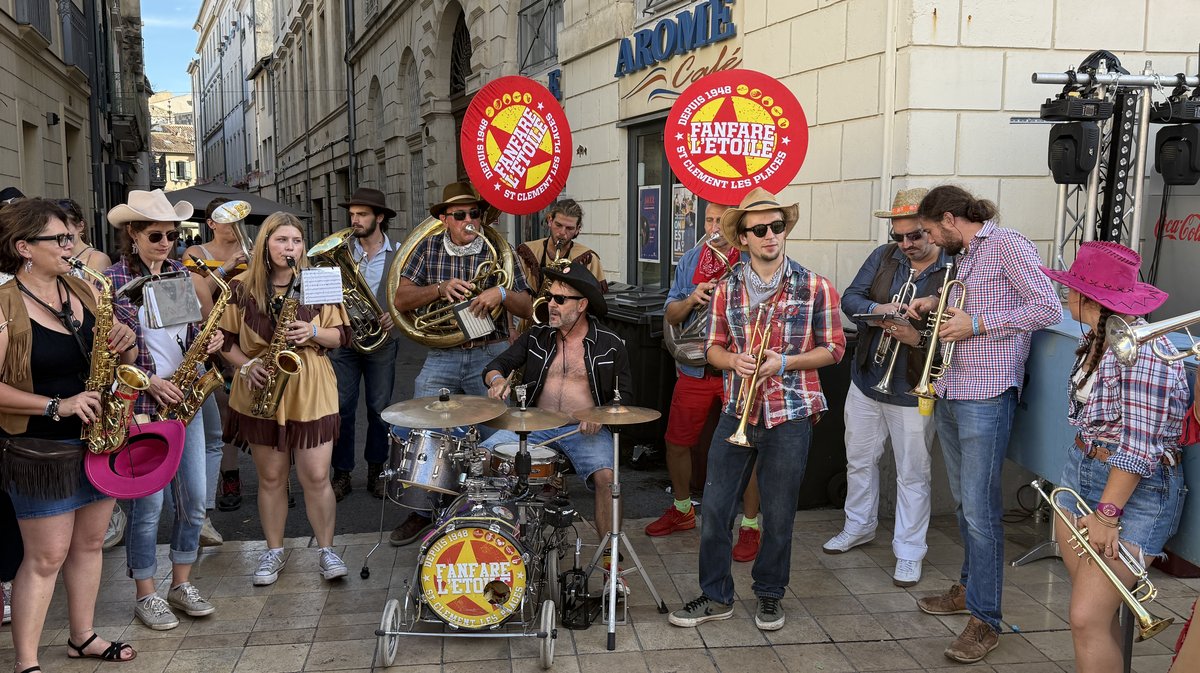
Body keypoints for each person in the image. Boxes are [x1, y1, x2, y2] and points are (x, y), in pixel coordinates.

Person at [669, 188, 846, 633]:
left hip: (791, 412)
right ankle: (715, 596)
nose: (771, 235)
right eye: (760, 229)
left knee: (780, 513)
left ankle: (769, 595)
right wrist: (732, 361)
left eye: (777, 226)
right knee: (714, 508)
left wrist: (784, 362)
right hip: (736, 410)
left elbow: (835, 349)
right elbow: (711, 348)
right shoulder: (727, 288)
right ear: (743, 238)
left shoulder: (816, 285)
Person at [905, 185, 1060, 663]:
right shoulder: (966, 254)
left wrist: (978, 324)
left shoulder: (1007, 244)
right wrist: (935, 305)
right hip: (954, 386)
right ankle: (970, 591)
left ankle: (985, 620)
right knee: (964, 502)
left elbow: (1046, 307)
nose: (928, 239)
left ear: (949, 219)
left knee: (980, 511)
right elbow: (966, 304)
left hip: (987, 394)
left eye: (929, 231)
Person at [0, 198, 141, 670]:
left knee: (89, 544)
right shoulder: (4, 305)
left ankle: (82, 636)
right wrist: (56, 405)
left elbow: (117, 352)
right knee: (46, 557)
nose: (70, 245)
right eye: (58, 239)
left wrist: (125, 341)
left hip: (98, 439)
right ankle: (26, 662)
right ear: (24, 248)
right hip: (40, 449)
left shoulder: (84, 288)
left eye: (70, 237)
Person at [1038, 241, 1189, 673]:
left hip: (1130, 491)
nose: (1065, 296)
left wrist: (1107, 513)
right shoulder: (1100, 338)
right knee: (1094, 618)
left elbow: (1141, 446)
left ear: (1088, 298)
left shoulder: (1144, 351)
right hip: (1083, 472)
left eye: (1070, 289)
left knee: (1085, 619)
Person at [105, 189, 223, 630]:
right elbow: (101, 349)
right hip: (141, 402)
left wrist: (208, 343)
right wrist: (149, 381)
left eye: (172, 235)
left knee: (193, 499)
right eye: (155, 234)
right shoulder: (113, 282)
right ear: (132, 234)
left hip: (185, 398)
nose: (165, 243)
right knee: (147, 506)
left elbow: (185, 334)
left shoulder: (180, 274)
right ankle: (145, 592)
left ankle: (181, 582)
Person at [389, 182, 533, 545]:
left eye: (475, 214)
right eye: (460, 215)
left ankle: (498, 511)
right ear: (443, 220)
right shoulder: (428, 247)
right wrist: (439, 289)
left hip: (491, 352)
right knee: (424, 426)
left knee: (498, 433)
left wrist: (499, 293)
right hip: (443, 354)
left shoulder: (500, 250)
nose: (469, 221)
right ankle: (422, 511)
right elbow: (401, 299)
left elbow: (528, 307)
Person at [219, 212, 351, 586]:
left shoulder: (318, 281)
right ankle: (273, 550)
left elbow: (342, 335)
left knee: (316, 475)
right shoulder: (241, 286)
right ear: (265, 244)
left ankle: (326, 549)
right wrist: (245, 368)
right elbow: (226, 342)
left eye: (295, 241)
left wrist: (311, 330)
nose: (289, 248)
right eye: (281, 241)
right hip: (260, 384)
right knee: (272, 477)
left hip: (310, 386)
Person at [826, 187, 949, 587]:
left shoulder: (953, 268)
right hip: (867, 379)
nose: (905, 244)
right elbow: (850, 298)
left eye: (915, 235)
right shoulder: (884, 257)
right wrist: (881, 310)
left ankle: (910, 551)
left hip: (914, 387)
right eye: (898, 236)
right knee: (858, 460)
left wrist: (917, 335)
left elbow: (960, 332)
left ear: (933, 229)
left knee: (913, 472)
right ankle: (858, 525)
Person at [481, 264, 631, 548]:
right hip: (536, 425)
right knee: (484, 457)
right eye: (550, 297)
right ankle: (498, 544)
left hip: (584, 430)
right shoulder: (537, 336)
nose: (551, 304)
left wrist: (600, 414)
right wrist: (497, 380)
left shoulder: (610, 344)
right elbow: (496, 365)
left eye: (560, 300)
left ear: (582, 305)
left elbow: (626, 396)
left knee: (608, 478)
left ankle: (610, 556)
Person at [647, 200, 762, 564]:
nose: (713, 227)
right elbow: (670, 312)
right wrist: (693, 298)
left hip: (736, 369)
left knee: (745, 448)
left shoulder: (752, 257)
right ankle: (682, 509)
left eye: (720, 221)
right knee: (677, 442)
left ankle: (750, 524)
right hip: (696, 368)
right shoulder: (690, 260)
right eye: (708, 219)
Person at [328, 188, 400, 501]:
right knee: (341, 409)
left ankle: (377, 472)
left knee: (379, 410)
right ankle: (341, 474)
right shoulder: (341, 250)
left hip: (382, 342)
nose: (354, 220)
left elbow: (409, 295)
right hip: (345, 340)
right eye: (353, 214)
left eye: (362, 215)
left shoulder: (398, 253)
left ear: (379, 217)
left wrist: (396, 316)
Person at [185, 197, 249, 521]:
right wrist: (227, 266)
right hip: (212, 339)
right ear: (211, 223)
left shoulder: (252, 247)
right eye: (226, 218)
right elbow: (199, 296)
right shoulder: (196, 254)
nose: (234, 224)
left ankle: (280, 482)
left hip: (249, 335)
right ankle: (230, 478)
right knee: (225, 411)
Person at [516, 198, 607, 295]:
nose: (562, 233)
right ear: (550, 221)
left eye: (569, 228)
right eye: (558, 225)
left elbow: (598, 299)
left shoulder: (589, 258)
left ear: (578, 229)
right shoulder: (527, 251)